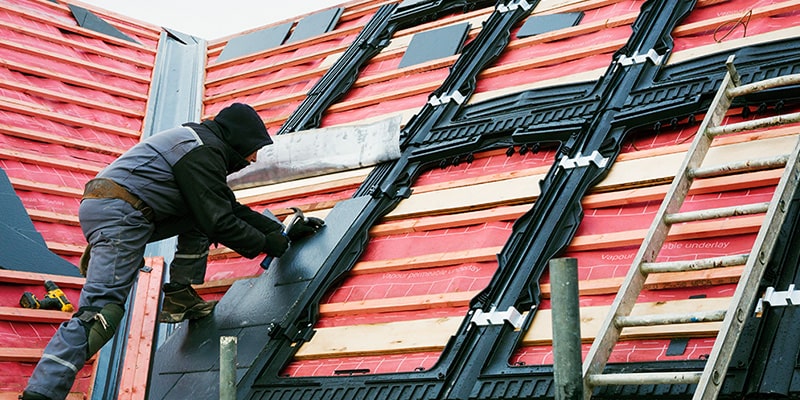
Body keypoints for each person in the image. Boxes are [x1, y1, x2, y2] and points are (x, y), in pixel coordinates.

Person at [22, 103, 290, 400]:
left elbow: (225, 207)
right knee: (101, 313)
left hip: (122, 207)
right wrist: (267, 244)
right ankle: (42, 392)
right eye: (253, 150)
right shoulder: (202, 152)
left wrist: (279, 230)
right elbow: (220, 221)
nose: (253, 159)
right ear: (238, 138)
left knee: (200, 211)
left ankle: (179, 296)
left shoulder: (200, 143)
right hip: (122, 213)